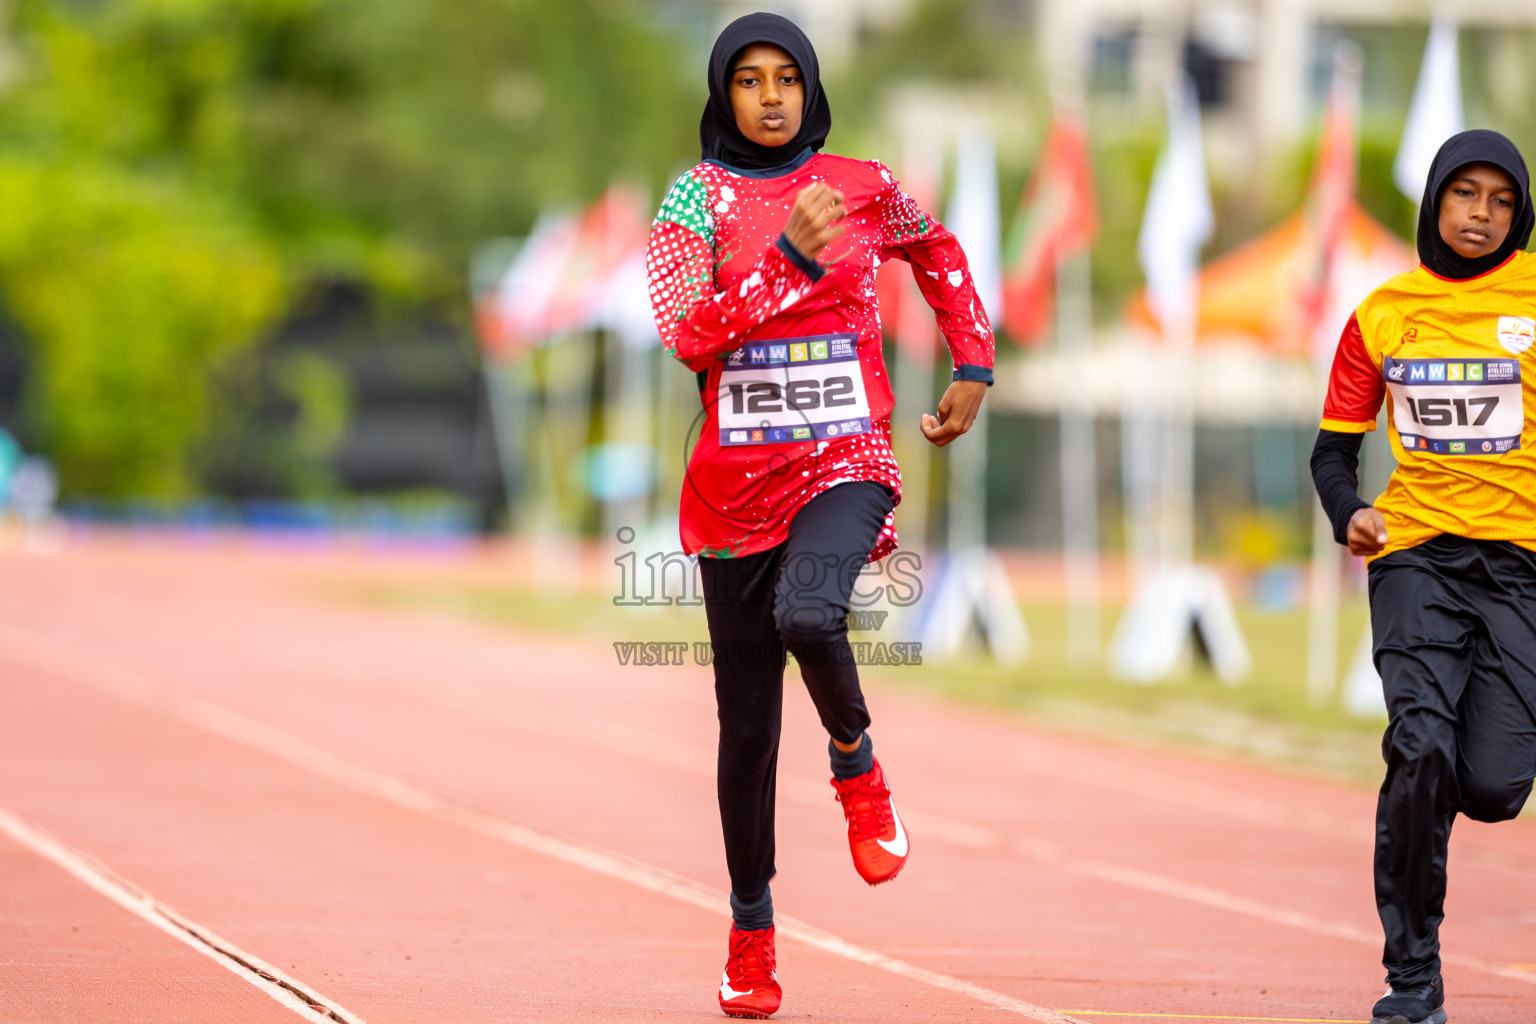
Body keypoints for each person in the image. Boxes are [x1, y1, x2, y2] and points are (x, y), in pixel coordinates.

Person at [644, 12, 995, 1019]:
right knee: (745, 730)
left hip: (848, 455)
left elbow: (940, 251)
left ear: (810, 88)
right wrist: (783, 267)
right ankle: (750, 932)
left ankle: (857, 762)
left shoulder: (861, 184)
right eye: (747, 79)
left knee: (811, 613)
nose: (768, 96)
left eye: (785, 77)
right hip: (731, 492)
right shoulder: (692, 199)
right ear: (723, 96)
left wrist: (973, 360)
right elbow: (686, 331)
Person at [1311, 129, 1536, 1024]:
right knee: (1420, 748)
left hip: (1521, 566)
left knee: (1491, 786)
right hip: (1415, 557)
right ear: (1435, 201)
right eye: (1464, 195)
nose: (1479, 215)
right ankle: (1414, 978)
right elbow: (1334, 452)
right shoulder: (1381, 313)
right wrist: (1350, 511)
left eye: (1500, 201)